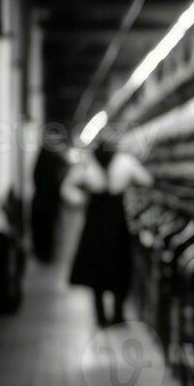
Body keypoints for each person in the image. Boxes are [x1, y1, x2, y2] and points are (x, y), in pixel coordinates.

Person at [62, 136, 152, 327]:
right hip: (116, 218)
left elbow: (66, 188)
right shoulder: (125, 161)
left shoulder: (87, 163)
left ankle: (101, 315)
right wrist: (132, 194)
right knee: (119, 264)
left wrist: (81, 200)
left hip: (95, 218)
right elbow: (147, 180)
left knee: (97, 266)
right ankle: (117, 314)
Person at [31, 143, 68, 262]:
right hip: (49, 202)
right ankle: (46, 254)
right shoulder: (55, 161)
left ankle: (42, 254)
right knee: (47, 230)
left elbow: (35, 177)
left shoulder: (45, 159)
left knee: (42, 230)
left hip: (41, 201)